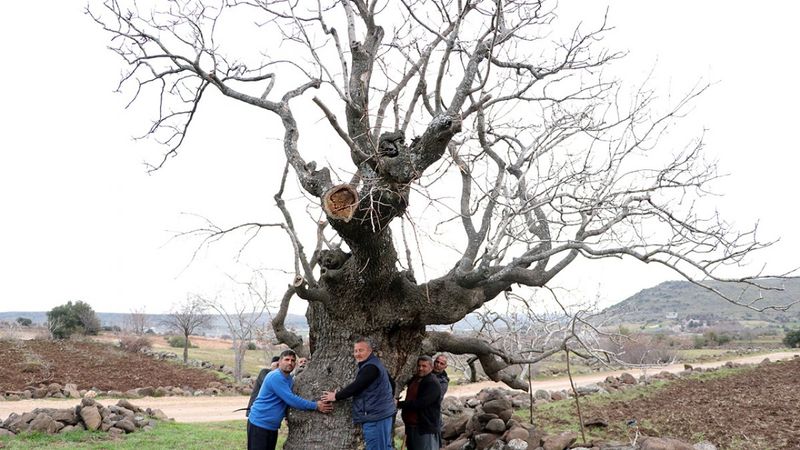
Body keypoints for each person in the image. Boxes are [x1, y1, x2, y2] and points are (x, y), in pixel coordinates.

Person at [248, 350, 332, 450]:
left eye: (292, 360)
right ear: (279, 362)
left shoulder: (289, 379)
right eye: (286, 359)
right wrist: (316, 405)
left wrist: (287, 416)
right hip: (259, 424)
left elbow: (283, 402)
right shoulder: (275, 377)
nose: (290, 362)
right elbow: (291, 399)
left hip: (272, 427)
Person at [321, 338, 396, 450]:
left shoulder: (371, 368)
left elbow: (356, 386)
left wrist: (335, 396)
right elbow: (392, 384)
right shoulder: (375, 364)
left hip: (376, 417)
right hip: (381, 415)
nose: (357, 354)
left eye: (361, 350)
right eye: (355, 351)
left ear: (370, 351)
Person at [397, 355, 442, 450]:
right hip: (412, 427)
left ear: (431, 367)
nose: (420, 368)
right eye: (419, 365)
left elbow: (421, 403)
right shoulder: (416, 379)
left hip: (424, 429)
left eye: (424, 366)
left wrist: (399, 404)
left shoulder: (432, 383)